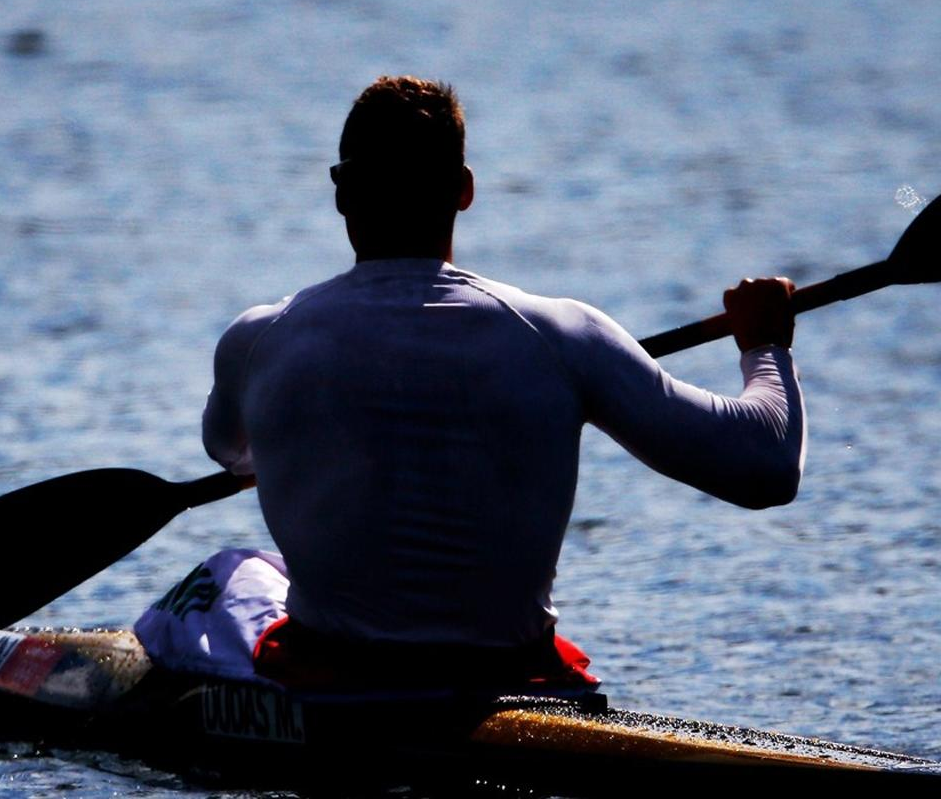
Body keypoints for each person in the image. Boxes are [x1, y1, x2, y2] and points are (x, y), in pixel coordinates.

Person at [141, 76, 804, 692]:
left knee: (227, 572)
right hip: (512, 674)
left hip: (332, 679)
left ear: (342, 191)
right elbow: (766, 465)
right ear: (463, 188)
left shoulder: (258, 341)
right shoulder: (566, 335)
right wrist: (764, 344)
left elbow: (230, 452)